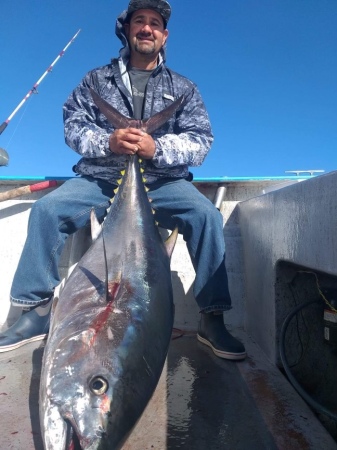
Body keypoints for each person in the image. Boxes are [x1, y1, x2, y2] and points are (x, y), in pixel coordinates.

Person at [0, 0, 246, 360]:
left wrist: (156, 146)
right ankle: (35, 312)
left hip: (163, 181)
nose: (147, 28)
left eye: (155, 24)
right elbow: (73, 125)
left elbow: (201, 140)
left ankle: (212, 319)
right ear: (127, 29)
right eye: (140, 21)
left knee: (205, 216)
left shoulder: (183, 88)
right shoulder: (96, 80)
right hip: (100, 178)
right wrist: (107, 141)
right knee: (48, 210)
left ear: (164, 36)